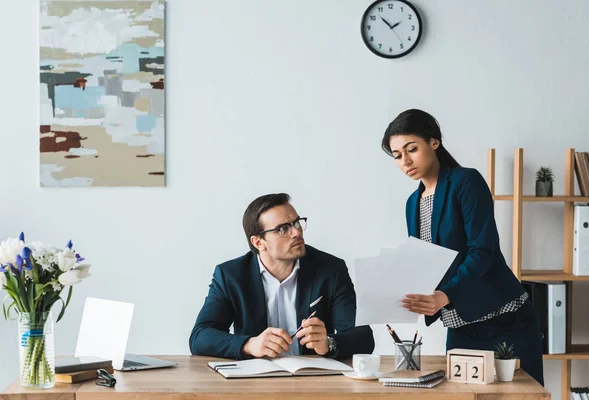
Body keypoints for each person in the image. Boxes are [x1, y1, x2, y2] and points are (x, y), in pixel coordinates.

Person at [381, 109, 544, 385]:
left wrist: (444, 295)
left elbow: (484, 250)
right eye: (397, 156)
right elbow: (425, 262)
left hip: (504, 319)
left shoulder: (466, 181)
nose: (405, 161)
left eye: (412, 149)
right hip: (460, 325)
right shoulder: (413, 203)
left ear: (434, 142)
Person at [189, 193, 374, 360]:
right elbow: (200, 337)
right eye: (283, 229)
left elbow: (364, 338)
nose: (297, 232)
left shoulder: (331, 269)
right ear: (258, 242)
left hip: (314, 382)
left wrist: (328, 343)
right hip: (253, 382)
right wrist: (249, 344)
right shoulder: (231, 275)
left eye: (296, 222)